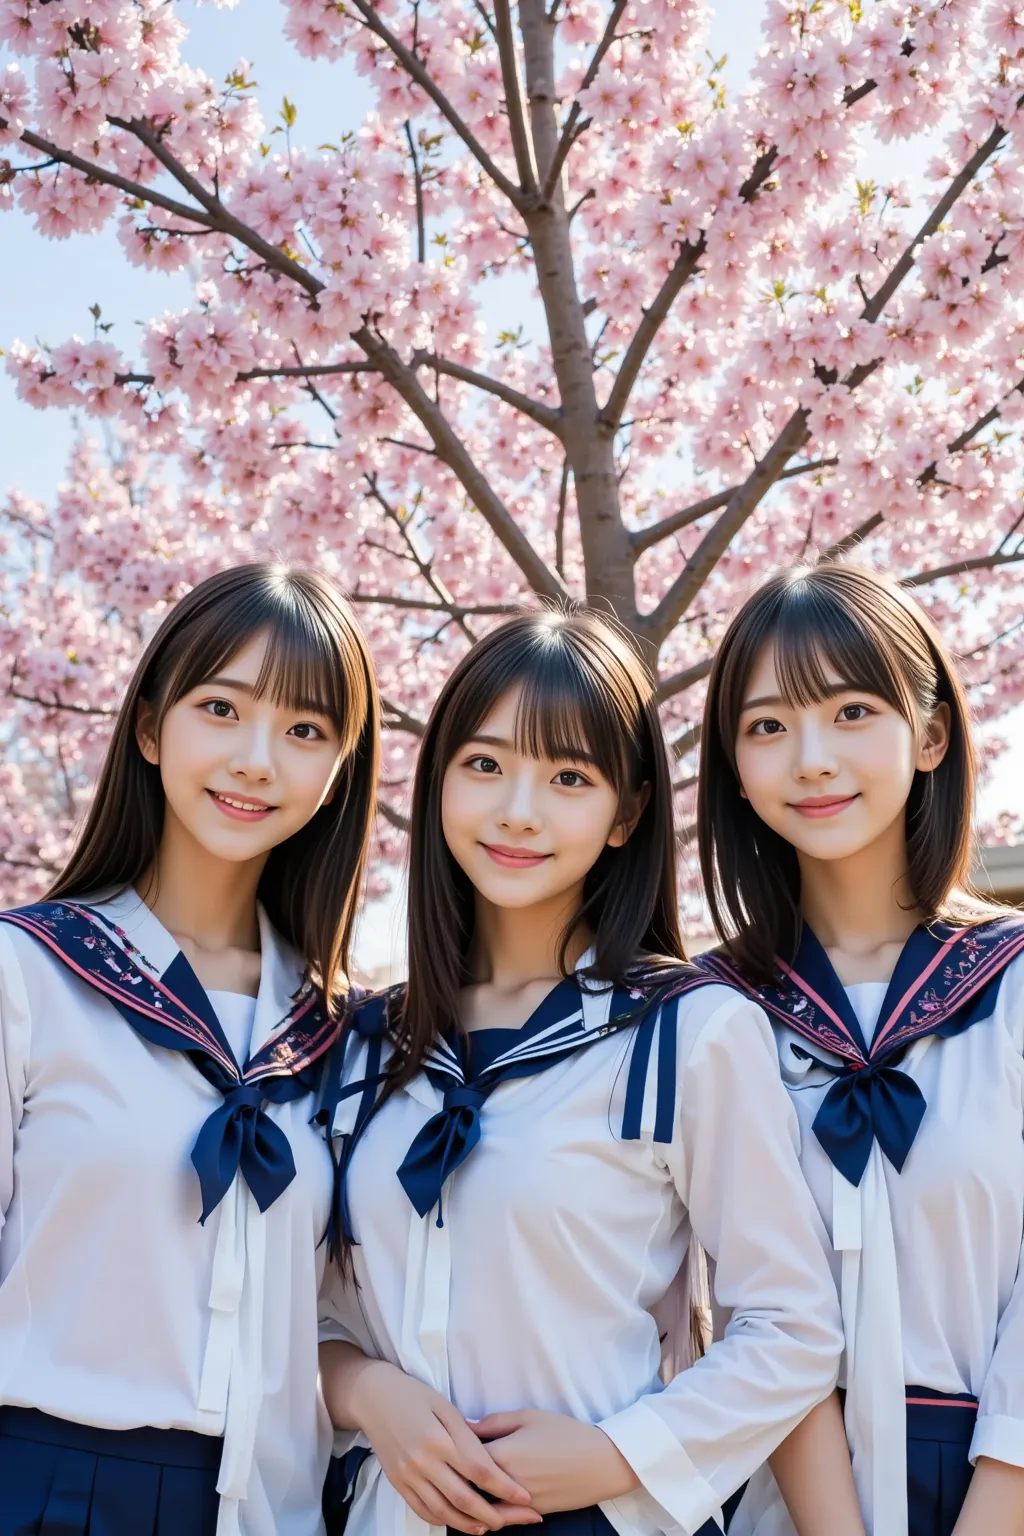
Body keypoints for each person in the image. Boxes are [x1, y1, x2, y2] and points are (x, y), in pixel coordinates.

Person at [317, 608, 844, 1536]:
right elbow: (308, 1315)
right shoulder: (363, 1043)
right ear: (437, 781)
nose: (518, 810)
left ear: (626, 814)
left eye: (567, 778)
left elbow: (793, 1327)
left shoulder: (690, 1032)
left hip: (604, 1518)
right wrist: (368, 1394)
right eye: (483, 765)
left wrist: (617, 1453)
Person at [0, 563, 380, 1536]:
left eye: (305, 731)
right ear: (150, 726)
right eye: (222, 707)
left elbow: (341, 1317)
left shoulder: (344, 1034)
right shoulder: (30, 976)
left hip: (269, 1508)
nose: (258, 759)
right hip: (46, 1485)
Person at [696, 562, 1024, 1536]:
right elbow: (754, 1304)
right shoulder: (711, 1017)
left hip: (995, 1480)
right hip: (780, 1494)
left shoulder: (1010, 984)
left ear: (927, 736)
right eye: (766, 727)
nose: (808, 759)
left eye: (848, 711)